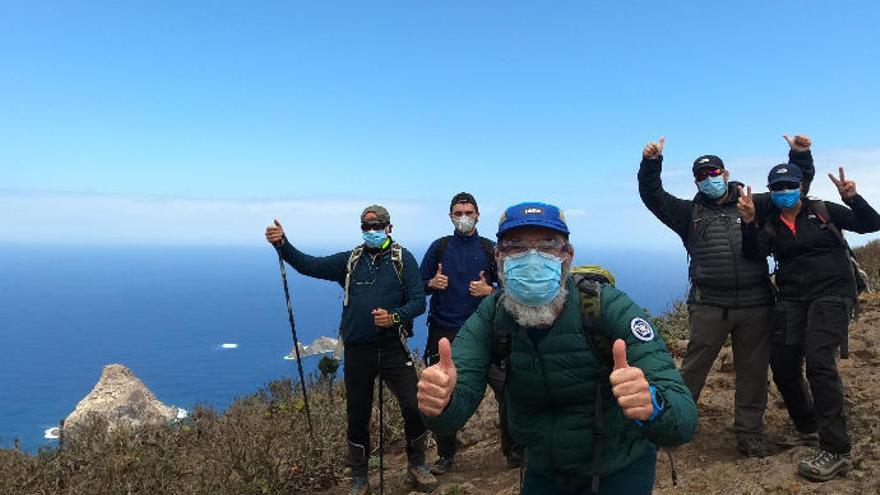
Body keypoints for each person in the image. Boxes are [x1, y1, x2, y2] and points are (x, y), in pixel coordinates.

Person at [417, 201, 697, 495]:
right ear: (499, 258)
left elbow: (684, 421)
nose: (532, 257)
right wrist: (440, 401)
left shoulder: (608, 307)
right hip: (543, 470)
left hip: (618, 466)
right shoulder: (493, 314)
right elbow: (450, 415)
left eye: (548, 245)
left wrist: (652, 405)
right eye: (516, 246)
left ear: (568, 256)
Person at [637, 135, 814, 457]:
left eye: (714, 173)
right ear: (696, 181)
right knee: (693, 369)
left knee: (754, 372)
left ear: (726, 174)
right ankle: (674, 426)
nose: (709, 180)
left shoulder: (754, 203)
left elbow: (794, 190)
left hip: (757, 303)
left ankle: (749, 435)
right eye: (702, 176)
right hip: (708, 305)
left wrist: (800, 155)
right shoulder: (686, 213)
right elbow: (652, 196)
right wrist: (651, 163)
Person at [265, 205, 436, 495]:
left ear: (389, 227)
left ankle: (416, 464)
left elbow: (418, 301)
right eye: (366, 226)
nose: (372, 231)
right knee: (357, 415)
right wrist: (283, 245)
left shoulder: (402, 259)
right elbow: (310, 265)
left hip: (392, 347)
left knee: (413, 404)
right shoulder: (351, 260)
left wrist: (394, 317)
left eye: (377, 225)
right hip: (357, 350)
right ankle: (360, 477)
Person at [738, 163, 880, 481]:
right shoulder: (771, 224)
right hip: (791, 299)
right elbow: (753, 253)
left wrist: (853, 198)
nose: (784, 192)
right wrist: (749, 223)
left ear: (801, 187)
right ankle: (807, 426)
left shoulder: (824, 210)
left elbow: (872, 224)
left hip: (833, 293)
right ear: (771, 192)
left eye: (790, 185)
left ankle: (836, 449)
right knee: (783, 364)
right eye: (777, 188)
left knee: (819, 363)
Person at [420, 192, 521, 474]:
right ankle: (445, 457)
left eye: (468, 212)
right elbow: (417, 284)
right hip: (446, 336)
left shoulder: (491, 250)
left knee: (508, 391)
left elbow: (513, 291)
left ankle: (514, 451)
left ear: (478, 215)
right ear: (450, 216)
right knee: (444, 394)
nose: (463, 217)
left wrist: (491, 291)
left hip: (488, 336)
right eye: (458, 212)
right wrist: (432, 282)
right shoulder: (439, 248)